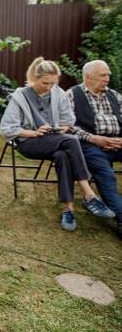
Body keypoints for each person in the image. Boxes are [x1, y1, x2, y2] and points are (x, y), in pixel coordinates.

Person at [0, 57, 113, 232]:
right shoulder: (20, 96)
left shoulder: (58, 93)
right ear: (34, 79)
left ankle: (69, 209)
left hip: (55, 140)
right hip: (28, 142)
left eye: (53, 83)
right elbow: (7, 128)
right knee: (71, 140)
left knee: (63, 154)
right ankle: (89, 194)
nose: (49, 87)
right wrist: (34, 132)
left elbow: (69, 122)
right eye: (45, 83)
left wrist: (58, 128)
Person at [67, 60, 122, 238]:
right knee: (107, 177)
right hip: (90, 145)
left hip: (117, 143)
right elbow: (67, 126)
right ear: (88, 76)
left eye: (108, 75)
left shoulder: (115, 95)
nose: (107, 79)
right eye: (103, 75)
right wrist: (94, 138)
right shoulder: (72, 95)